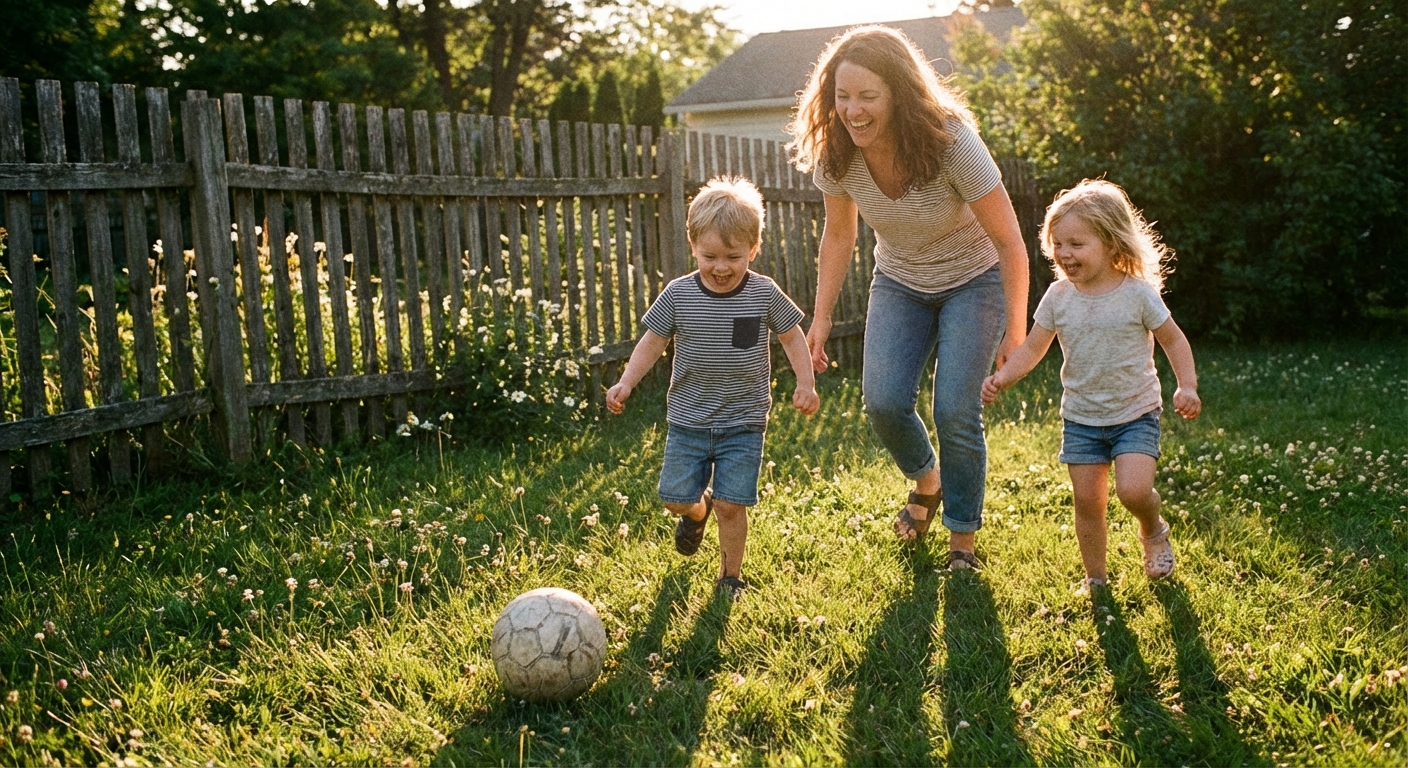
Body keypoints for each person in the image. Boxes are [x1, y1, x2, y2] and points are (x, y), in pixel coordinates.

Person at [789, 25, 1030, 569]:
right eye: (842, 96)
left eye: (868, 96)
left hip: (974, 279)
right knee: (884, 401)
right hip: (900, 281)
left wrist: (1015, 333)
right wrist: (820, 321)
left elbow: (1011, 241)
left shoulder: (950, 141)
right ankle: (928, 480)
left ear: (899, 93)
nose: (852, 110)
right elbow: (839, 236)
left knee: (954, 409)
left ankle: (962, 540)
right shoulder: (837, 152)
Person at [606, 177, 820, 597]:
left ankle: (730, 577)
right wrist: (627, 381)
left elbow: (793, 336)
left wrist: (805, 382)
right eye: (710, 256)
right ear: (693, 247)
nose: (721, 267)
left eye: (733, 257)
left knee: (732, 504)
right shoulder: (678, 295)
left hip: (743, 421)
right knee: (673, 498)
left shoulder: (762, 293)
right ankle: (695, 510)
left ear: (753, 250)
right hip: (688, 420)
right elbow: (653, 341)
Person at [981, 179, 1201, 585]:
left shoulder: (1138, 295)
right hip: (1082, 418)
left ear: (1112, 243)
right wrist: (1003, 378)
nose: (1064, 253)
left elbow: (1173, 339)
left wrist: (1186, 385)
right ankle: (1096, 580)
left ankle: (1152, 528)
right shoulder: (1058, 297)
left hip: (1135, 412)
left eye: (1076, 244)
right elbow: (1032, 348)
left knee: (1133, 492)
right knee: (1087, 502)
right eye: (1058, 243)